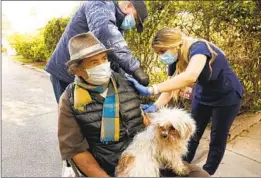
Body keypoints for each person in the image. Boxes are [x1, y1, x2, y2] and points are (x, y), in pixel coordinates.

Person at [58, 32, 210, 177]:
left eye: (104, 58)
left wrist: (165, 127)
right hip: (112, 165)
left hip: (151, 152)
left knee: (201, 175)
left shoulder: (125, 82)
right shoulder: (70, 100)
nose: (103, 65)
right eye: (94, 62)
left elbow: (145, 118)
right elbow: (76, 150)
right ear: (77, 70)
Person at [127, 27, 244, 175]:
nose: (161, 56)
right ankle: (182, 165)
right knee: (189, 134)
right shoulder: (175, 58)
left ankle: (207, 172)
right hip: (203, 96)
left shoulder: (199, 49)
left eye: (162, 51)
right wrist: (155, 106)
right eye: (158, 53)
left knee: (217, 138)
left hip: (227, 96)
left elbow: (190, 76)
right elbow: (171, 87)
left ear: (175, 44)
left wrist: (151, 89)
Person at [45, 0, 150, 104]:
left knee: (87, 116)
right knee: (69, 115)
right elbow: (104, 32)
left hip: (87, 76)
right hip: (65, 72)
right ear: (128, 6)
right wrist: (135, 68)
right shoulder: (99, 3)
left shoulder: (116, 25)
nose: (133, 24)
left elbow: (114, 56)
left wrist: (128, 78)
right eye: (135, 19)